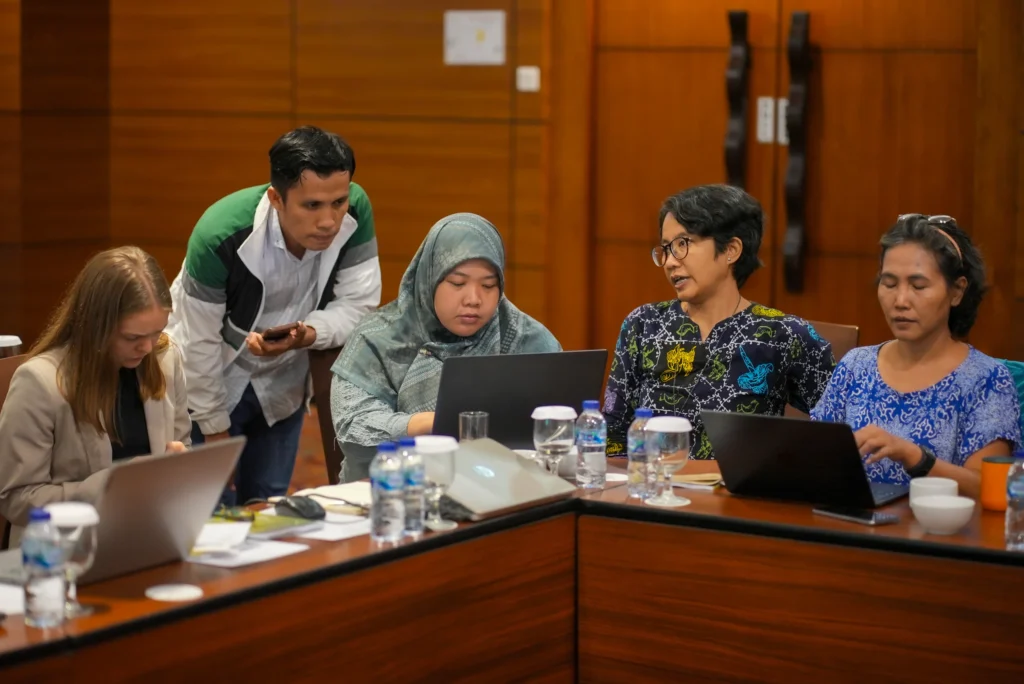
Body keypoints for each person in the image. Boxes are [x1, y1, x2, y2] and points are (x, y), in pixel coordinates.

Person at [167, 126, 381, 505]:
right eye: (312, 206)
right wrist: (215, 433)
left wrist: (308, 334)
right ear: (276, 198)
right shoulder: (220, 234)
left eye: (338, 202)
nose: (329, 220)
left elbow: (359, 306)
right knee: (208, 512)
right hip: (210, 381)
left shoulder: (356, 208)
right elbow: (196, 343)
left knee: (268, 509)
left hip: (284, 382)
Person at [604, 185, 834, 459]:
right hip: (655, 482)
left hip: (738, 486)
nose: (669, 262)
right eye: (666, 248)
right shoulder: (644, 325)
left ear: (731, 250)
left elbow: (839, 429)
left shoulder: (782, 334)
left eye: (682, 244)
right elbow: (614, 434)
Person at [330, 213, 561, 481]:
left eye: (489, 285)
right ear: (429, 279)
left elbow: (562, 419)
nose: (474, 299)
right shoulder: (378, 337)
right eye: (457, 283)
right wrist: (433, 422)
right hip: (391, 488)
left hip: (505, 485)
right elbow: (353, 427)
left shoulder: (524, 336)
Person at [812, 214, 1021, 498]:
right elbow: (814, 456)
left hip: (938, 525)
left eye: (918, 286)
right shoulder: (856, 366)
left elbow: (990, 488)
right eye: (889, 284)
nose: (900, 301)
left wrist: (914, 457)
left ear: (957, 291)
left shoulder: (986, 379)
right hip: (850, 520)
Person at [0, 247, 189, 546]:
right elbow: (17, 498)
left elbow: (182, 445)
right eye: (132, 337)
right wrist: (116, 484)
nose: (147, 348)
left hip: (148, 536)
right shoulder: (39, 382)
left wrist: (180, 466)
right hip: (64, 550)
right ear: (96, 327)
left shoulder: (166, 359)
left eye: (157, 332)